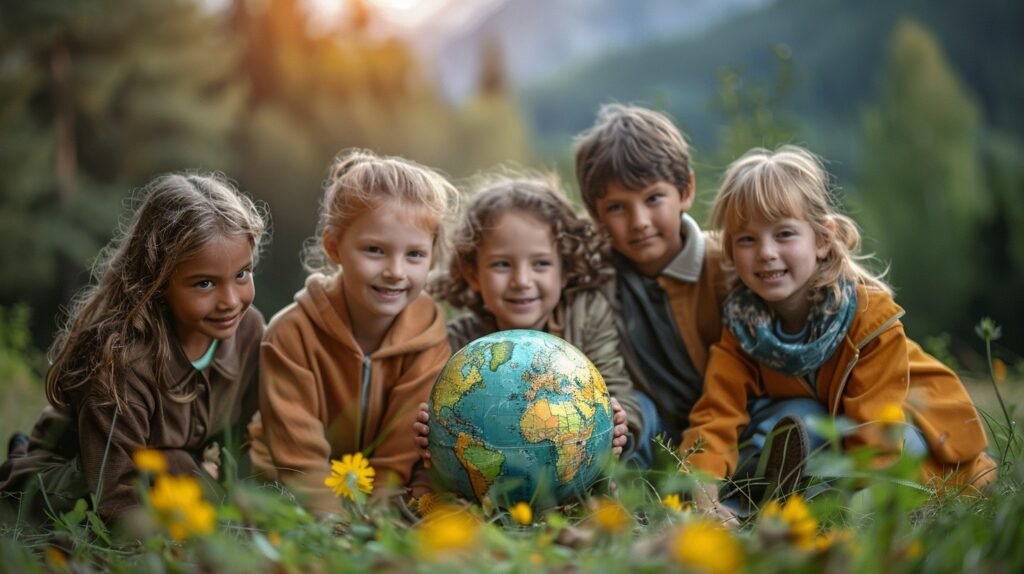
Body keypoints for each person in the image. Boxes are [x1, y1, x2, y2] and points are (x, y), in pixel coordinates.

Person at [679, 145, 996, 522]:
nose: (765, 252)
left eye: (784, 234)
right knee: (795, 420)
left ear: (822, 239)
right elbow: (715, 418)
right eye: (746, 239)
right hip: (827, 440)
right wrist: (703, 498)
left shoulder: (868, 317)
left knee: (903, 446)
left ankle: (870, 508)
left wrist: (870, 508)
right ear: (729, 250)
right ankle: (789, 502)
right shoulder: (742, 331)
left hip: (895, 434)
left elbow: (878, 425)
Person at [0, 173, 268, 524]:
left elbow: (249, 437)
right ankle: (19, 467)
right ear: (156, 280)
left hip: (160, 473)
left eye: (242, 274)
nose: (231, 301)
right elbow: (116, 499)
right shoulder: (121, 360)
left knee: (184, 470)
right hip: (81, 476)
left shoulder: (249, 331)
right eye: (204, 283)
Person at [248, 149, 458, 516]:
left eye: (414, 255)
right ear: (334, 247)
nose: (395, 271)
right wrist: (337, 526)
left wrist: (376, 518)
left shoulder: (428, 340)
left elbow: (398, 454)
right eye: (375, 250)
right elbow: (297, 456)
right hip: (286, 489)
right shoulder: (290, 335)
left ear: (432, 257)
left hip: (376, 492)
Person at [413, 175, 633, 478]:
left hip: (577, 469)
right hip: (496, 482)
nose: (522, 281)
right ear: (473, 273)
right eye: (502, 264)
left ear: (565, 269)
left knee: (644, 412)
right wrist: (429, 428)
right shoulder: (461, 344)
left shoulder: (586, 315)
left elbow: (617, 386)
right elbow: (439, 415)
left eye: (540, 263)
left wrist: (622, 421)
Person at [574, 104, 729, 467]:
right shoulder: (594, 281)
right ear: (597, 216)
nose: (639, 221)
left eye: (653, 198)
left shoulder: (728, 264)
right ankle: (630, 493)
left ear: (686, 190)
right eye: (617, 207)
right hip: (653, 435)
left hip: (729, 426)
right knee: (625, 413)